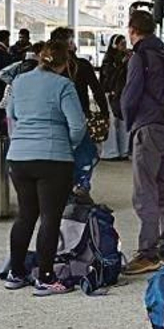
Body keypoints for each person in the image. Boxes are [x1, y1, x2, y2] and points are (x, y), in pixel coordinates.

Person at [0, 42, 87, 296]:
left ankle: (16, 272)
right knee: (50, 217)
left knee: (26, 215)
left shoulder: (19, 81)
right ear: (64, 63)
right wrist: (66, 144)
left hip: (19, 157)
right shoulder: (64, 86)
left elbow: (12, 113)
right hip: (54, 159)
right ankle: (46, 277)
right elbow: (78, 126)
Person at [120, 9, 164, 275]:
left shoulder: (139, 56)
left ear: (132, 30)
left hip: (147, 126)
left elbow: (130, 96)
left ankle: (148, 252)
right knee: (162, 186)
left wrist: (128, 120)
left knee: (144, 191)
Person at [47, 26, 108, 199]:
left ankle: (61, 188)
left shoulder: (47, 68)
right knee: (85, 152)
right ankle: (81, 183)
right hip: (80, 115)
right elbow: (97, 90)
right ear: (69, 44)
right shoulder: (82, 65)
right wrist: (104, 112)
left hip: (56, 118)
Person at [98, 34, 131, 161]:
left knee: (122, 122)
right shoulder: (109, 60)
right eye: (121, 44)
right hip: (111, 93)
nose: (123, 47)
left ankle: (123, 150)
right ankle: (110, 151)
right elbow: (108, 78)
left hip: (122, 94)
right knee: (111, 122)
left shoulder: (127, 59)